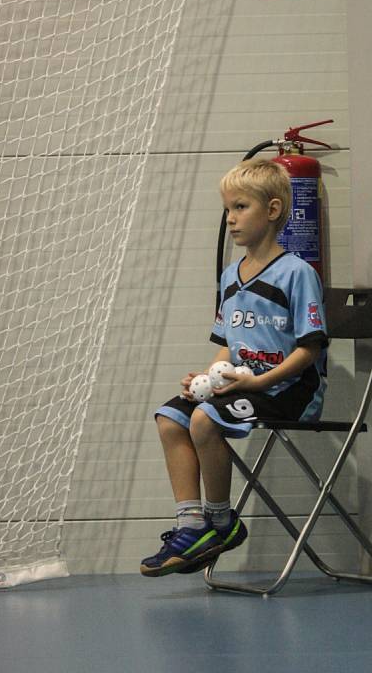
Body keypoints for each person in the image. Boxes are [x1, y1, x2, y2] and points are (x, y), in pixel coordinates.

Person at [141, 159, 327, 577]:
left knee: (206, 421)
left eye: (241, 207)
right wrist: (205, 382)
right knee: (171, 417)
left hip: (290, 392)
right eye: (228, 209)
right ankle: (191, 524)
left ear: (273, 209)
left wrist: (259, 380)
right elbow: (227, 346)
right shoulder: (230, 276)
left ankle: (222, 523)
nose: (232, 218)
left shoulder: (297, 273)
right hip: (244, 387)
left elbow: (309, 350)